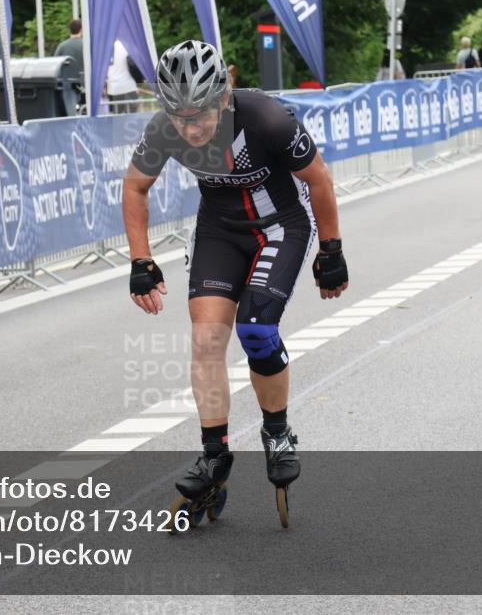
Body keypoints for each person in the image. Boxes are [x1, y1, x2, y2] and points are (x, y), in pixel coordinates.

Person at [123, 40, 348, 517]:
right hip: (219, 231)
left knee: (256, 329)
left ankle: (277, 431)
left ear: (225, 93)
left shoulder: (266, 117)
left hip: (280, 227)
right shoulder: (165, 130)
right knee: (206, 340)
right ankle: (214, 454)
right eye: (180, 116)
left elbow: (318, 178)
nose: (192, 127)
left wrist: (331, 250)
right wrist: (140, 260)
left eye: (201, 114)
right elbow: (135, 185)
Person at [106, 39, 139, 114]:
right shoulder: (129, 45)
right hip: (129, 85)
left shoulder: (107, 48)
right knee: (132, 119)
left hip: (113, 88)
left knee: (117, 120)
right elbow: (135, 66)